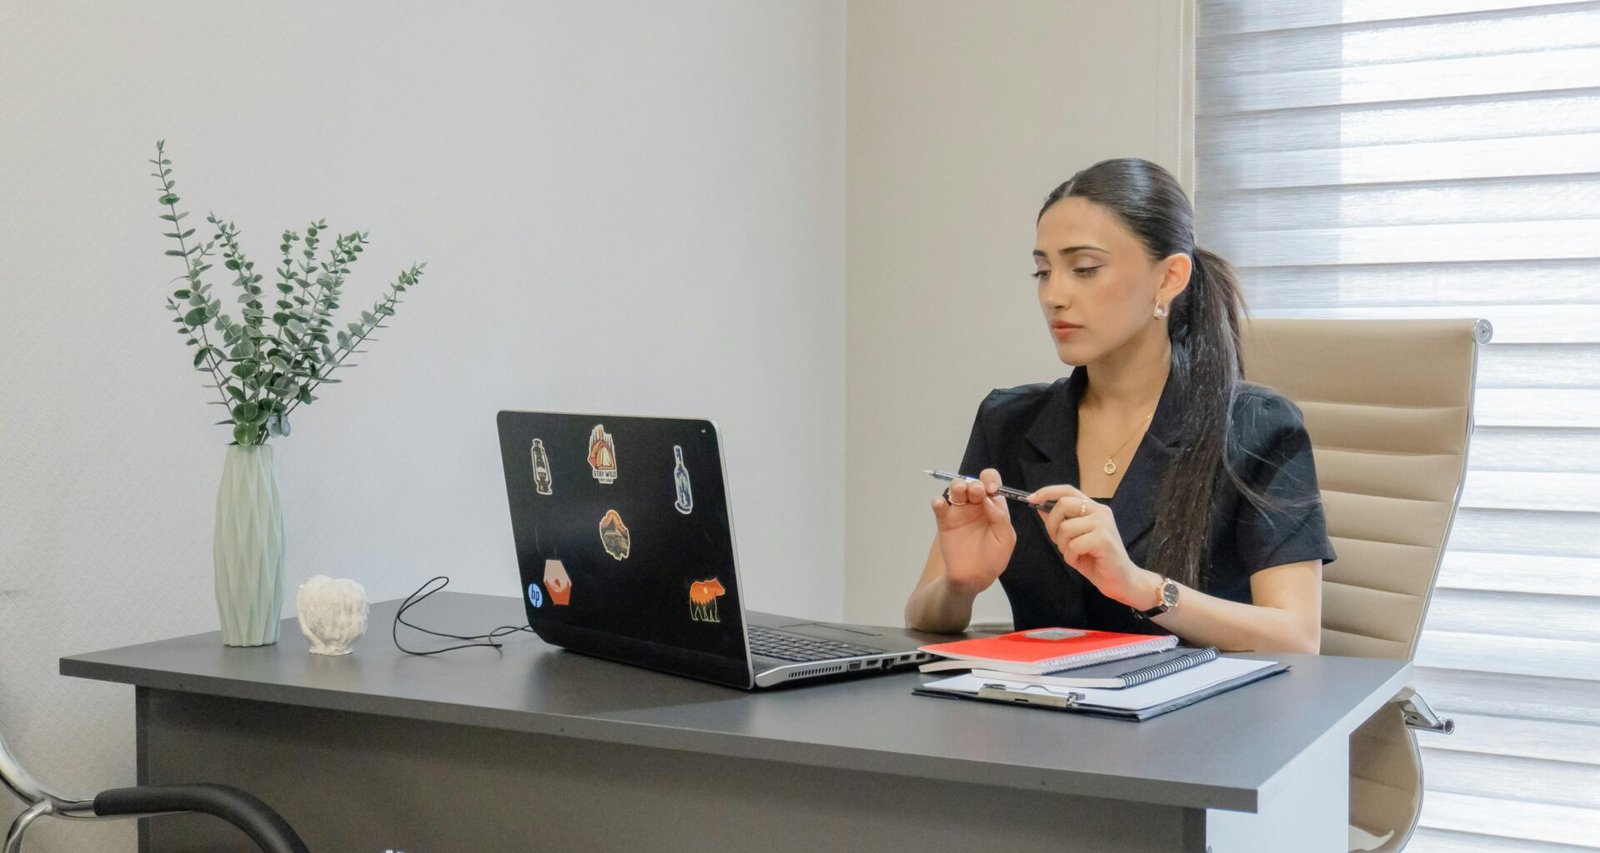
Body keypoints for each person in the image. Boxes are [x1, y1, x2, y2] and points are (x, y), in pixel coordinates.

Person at [904, 158, 1333, 654]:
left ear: (1169, 278)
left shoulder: (1257, 426)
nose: (1054, 295)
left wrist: (1140, 586)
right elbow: (924, 613)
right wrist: (961, 585)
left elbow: (1297, 637)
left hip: (1200, 720)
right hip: (1041, 720)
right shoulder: (1008, 421)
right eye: (1042, 271)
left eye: (1084, 269)